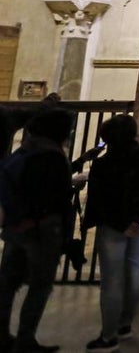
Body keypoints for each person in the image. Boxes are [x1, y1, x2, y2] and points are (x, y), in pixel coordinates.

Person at [83, 115, 139, 352]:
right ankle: (125, 324)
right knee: (135, 269)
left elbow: (99, 201)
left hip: (114, 226)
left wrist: (121, 224)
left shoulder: (104, 164)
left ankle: (108, 335)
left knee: (111, 280)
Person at [0, 108, 76, 353]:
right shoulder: (51, 156)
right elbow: (54, 196)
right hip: (42, 230)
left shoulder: (22, 153)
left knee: (8, 283)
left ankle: (1, 336)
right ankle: (26, 338)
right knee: (40, 285)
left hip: (16, 227)